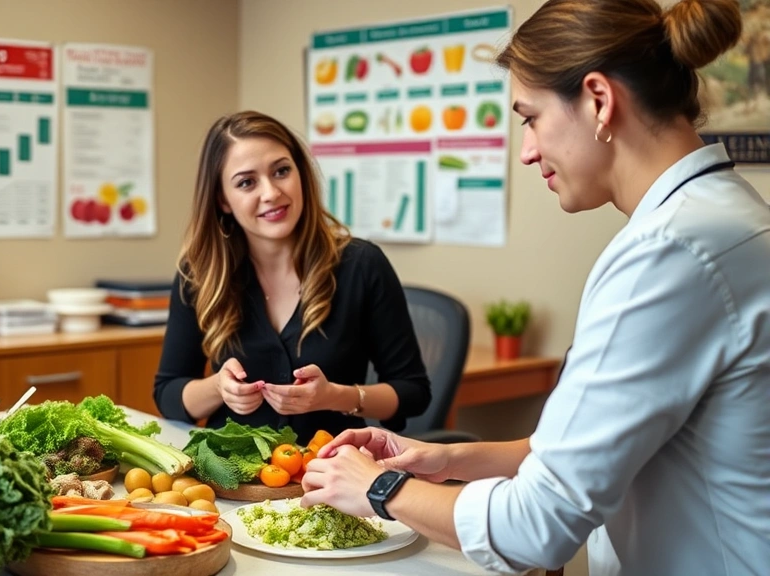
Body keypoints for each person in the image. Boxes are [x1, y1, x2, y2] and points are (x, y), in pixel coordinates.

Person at [300, 1, 770, 575]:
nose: (526, 150)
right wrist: (441, 458)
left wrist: (379, 488)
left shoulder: (671, 253)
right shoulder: (724, 216)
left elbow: (537, 527)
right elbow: (581, 453)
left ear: (599, 99)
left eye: (530, 117)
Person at [153, 110, 431, 446]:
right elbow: (167, 393)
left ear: (300, 174)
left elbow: (413, 392)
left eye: (281, 171)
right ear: (223, 200)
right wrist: (218, 388)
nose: (271, 192)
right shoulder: (199, 273)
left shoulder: (361, 264)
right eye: (246, 182)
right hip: (230, 476)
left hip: (330, 471)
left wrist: (335, 396)